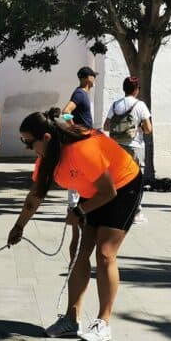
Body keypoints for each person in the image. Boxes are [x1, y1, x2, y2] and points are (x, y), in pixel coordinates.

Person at [7, 108, 143, 341]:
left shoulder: (81, 150)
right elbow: (35, 195)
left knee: (105, 253)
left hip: (123, 187)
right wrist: (19, 227)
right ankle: (72, 319)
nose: (28, 148)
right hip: (93, 191)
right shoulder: (47, 158)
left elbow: (108, 192)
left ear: (46, 138)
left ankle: (103, 322)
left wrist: (80, 211)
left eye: (29, 143)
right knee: (80, 252)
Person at [103, 76, 153, 223]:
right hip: (134, 146)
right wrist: (138, 126)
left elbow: (106, 126)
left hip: (115, 147)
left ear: (124, 89)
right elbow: (148, 129)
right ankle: (135, 213)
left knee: (117, 178)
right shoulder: (140, 105)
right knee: (135, 180)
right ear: (136, 89)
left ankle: (115, 210)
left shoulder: (115, 105)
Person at [62, 66, 99, 259]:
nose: (95, 79)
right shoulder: (80, 94)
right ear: (86, 78)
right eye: (93, 76)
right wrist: (76, 130)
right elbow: (65, 112)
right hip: (80, 144)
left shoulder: (83, 94)